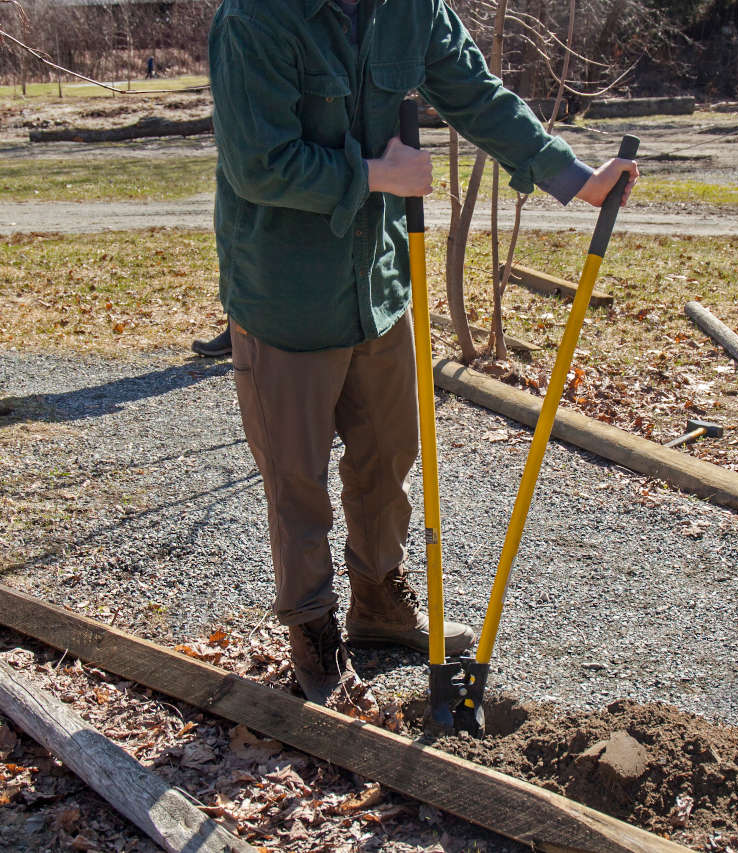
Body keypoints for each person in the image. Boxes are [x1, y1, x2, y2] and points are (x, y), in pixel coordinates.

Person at [209, 0, 637, 707]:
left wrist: (570, 176)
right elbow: (259, 164)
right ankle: (312, 634)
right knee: (298, 482)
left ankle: (378, 601)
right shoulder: (257, 17)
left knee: (389, 454)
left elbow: (474, 91)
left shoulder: (410, 8)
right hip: (287, 294)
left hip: (376, 283)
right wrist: (377, 175)